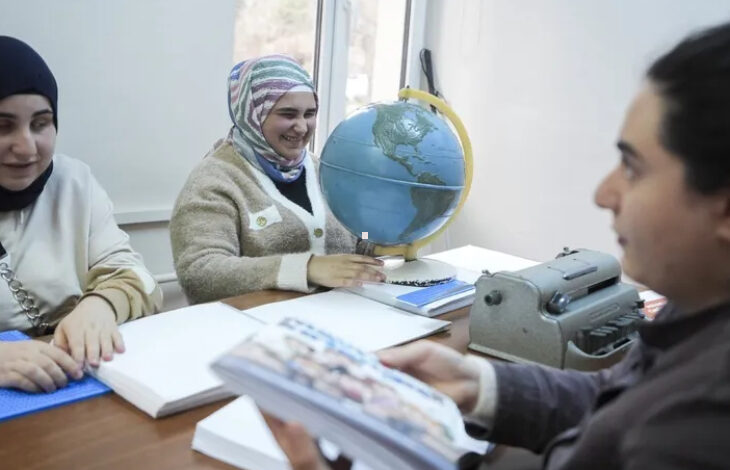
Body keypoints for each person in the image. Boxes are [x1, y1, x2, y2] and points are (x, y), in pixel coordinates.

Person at [263, 21, 730, 470]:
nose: (603, 194)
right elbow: (618, 400)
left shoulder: (696, 428)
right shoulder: (699, 311)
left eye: (633, 167)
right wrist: (478, 384)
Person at [0, 36, 162, 393]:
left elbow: (139, 278)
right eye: (3, 126)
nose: (26, 147)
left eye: (40, 123)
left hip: (70, 384)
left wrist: (101, 304)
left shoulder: (73, 181)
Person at [170, 54, 384, 304]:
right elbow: (200, 272)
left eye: (309, 113)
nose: (302, 127)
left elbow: (360, 237)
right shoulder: (213, 181)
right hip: (252, 332)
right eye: (288, 114)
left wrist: (377, 240)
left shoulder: (324, 171)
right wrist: (307, 268)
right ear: (253, 115)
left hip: (338, 320)